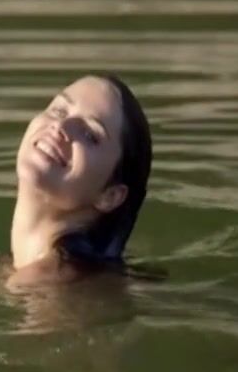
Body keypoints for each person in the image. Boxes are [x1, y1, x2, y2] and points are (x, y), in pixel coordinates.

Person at [8, 74, 152, 285]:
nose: (61, 126)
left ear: (110, 195)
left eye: (89, 134)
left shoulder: (43, 282)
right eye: (59, 111)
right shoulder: (71, 276)